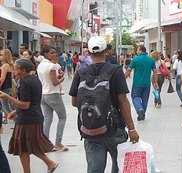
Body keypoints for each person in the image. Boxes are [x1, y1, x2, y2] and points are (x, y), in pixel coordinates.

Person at [69, 36, 139, 173]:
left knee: (94, 169)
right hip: (115, 129)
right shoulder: (115, 71)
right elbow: (123, 101)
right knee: (119, 165)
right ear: (106, 51)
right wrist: (131, 129)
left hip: (90, 130)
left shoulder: (80, 73)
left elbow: (74, 102)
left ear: (88, 52)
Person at [0, 59, 58, 173]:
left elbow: (26, 105)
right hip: (32, 117)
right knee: (26, 147)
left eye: (16, 69)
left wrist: (7, 97)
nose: (14, 72)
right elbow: (31, 101)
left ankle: (49, 163)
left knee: (25, 147)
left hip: (27, 119)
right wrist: (16, 112)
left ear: (24, 70)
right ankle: (47, 164)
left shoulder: (25, 82)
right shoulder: (34, 80)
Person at [37, 46, 68, 151]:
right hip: (53, 94)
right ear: (46, 54)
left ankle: (45, 144)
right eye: (52, 53)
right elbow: (55, 82)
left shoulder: (41, 65)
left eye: (55, 53)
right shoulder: (52, 66)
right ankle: (58, 143)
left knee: (47, 119)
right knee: (62, 117)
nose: (55, 54)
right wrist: (61, 79)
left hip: (43, 94)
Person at [124, 45, 158, 121]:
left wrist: (123, 79)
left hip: (137, 83)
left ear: (140, 50)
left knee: (135, 97)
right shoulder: (150, 60)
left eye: (137, 50)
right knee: (145, 99)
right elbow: (155, 71)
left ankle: (139, 109)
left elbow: (129, 70)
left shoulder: (135, 59)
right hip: (147, 84)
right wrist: (155, 82)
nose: (136, 51)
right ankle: (142, 114)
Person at [0, 49, 15, 124]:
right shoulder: (9, 65)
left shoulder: (5, 65)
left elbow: (2, 78)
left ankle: (17, 121)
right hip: (8, 86)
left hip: (4, 87)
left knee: (6, 107)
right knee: (6, 106)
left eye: (1, 55)